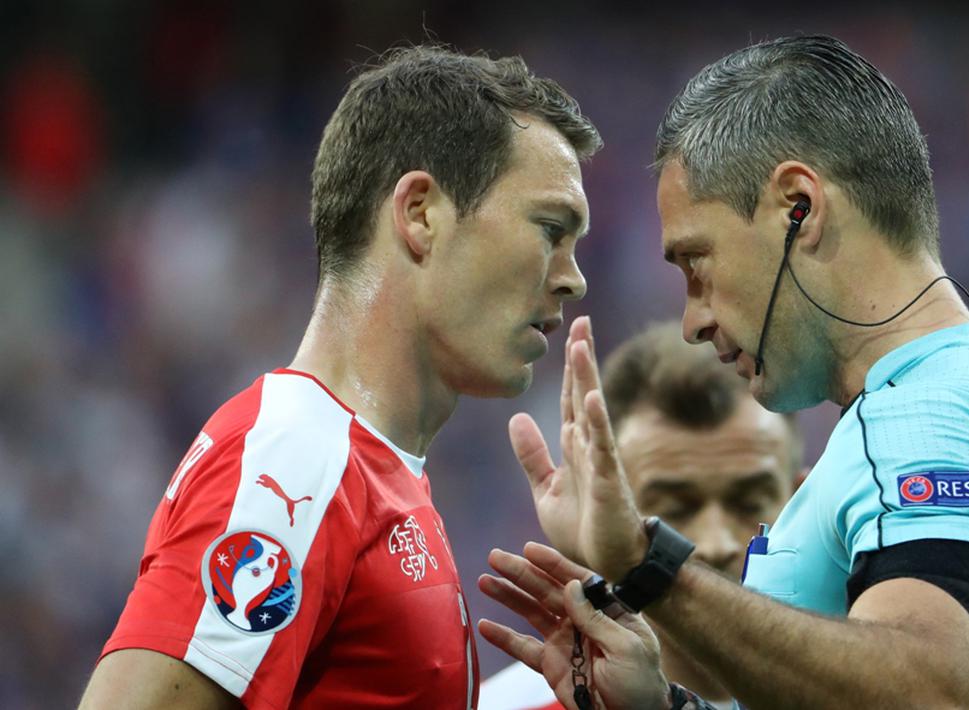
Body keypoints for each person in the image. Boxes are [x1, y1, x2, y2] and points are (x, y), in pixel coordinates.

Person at [479, 35, 969, 709]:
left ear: (796, 208)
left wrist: (643, 563)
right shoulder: (930, 399)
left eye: (697, 264)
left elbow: (928, 690)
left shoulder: (936, 411)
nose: (692, 321)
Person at [78, 45, 601, 709]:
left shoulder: (368, 469)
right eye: (551, 228)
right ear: (419, 214)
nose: (573, 277)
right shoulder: (298, 460)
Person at [477, 322, 804, 709]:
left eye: (749, 503)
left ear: (802, 499)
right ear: (597, 515)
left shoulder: (871, 679)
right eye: (673, 508)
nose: (716, 544)